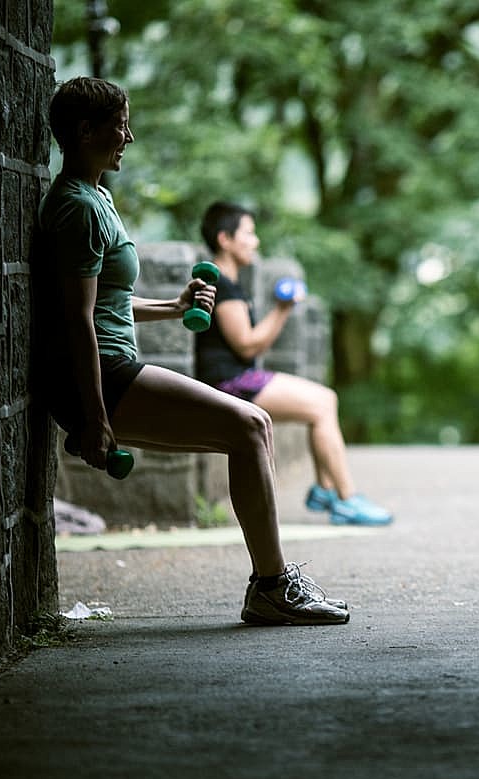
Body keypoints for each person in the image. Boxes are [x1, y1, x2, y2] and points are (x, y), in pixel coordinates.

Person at [35, 76, 349, 625]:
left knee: (250, 429)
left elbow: (109, 301)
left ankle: (271, 585)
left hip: (113, 367)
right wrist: (94, 415)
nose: (129, 137)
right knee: (249, 425)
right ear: (85, 132)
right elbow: (77, 319)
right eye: (119, 126)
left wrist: (174, 307)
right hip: (102, 375)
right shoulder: (75, 208)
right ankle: (272, 586)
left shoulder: (98, 197)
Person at [194, 202, 393, 526]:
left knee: (325, 400)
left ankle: (326, 491)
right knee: (322, 404)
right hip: (229, 384)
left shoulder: (230, 283)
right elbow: (247, 344)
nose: (256, 241)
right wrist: (282, 309)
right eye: (249, 233)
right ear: (225, 239)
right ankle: (345, 499)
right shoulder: (223, 287)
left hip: (239, 377)